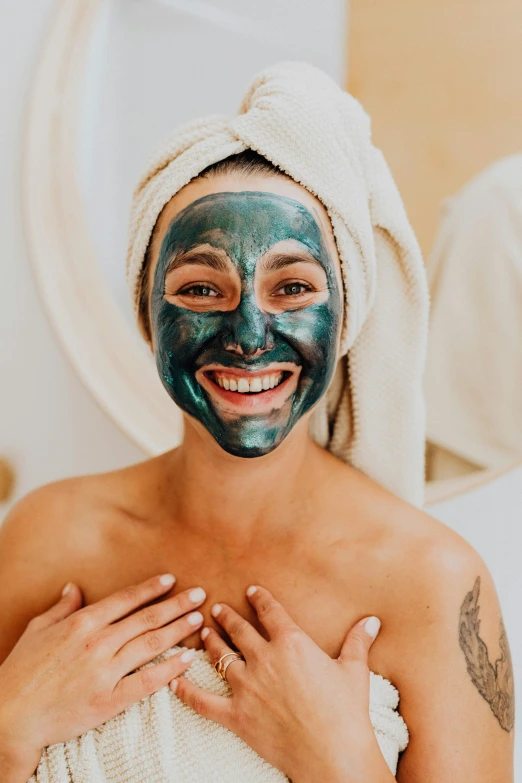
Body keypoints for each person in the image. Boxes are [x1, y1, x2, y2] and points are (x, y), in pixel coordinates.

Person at [0, 63, 514, 782]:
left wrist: (341, 764)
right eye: (202, 287)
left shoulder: (435, 585)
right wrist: (8, 731)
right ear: (150, 314)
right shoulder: (45, 537)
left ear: (345, 317)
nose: (248, 334)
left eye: (293, 287)